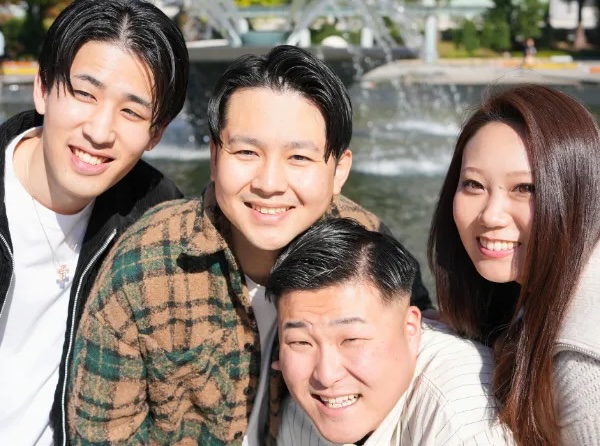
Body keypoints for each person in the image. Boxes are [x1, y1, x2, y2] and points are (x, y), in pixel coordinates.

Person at [67, 45, 432, 445]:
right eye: (246, 152)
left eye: (299, 157)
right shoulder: (147, 264)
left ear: (339, 170)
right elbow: (99, 434)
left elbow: (428, 348)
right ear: (214, 157)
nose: (269, 184)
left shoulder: (369, 248)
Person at [0, 0, 189, 445]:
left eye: (132, 112)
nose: (100, 132)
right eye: (85, 94)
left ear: (156, 133)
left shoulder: (156, 217)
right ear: (43, 88)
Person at [428, 84, 600, 445]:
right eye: (473, 184)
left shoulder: (583, 363)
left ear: (577, 191)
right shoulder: (539, 289)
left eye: (525, 189)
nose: (490, 215)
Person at [267, 218, 514, 445]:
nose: (326, 376)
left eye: (351, 339)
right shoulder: (301, 412)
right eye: (300, 342)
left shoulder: (462, 414)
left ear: (410, 329)